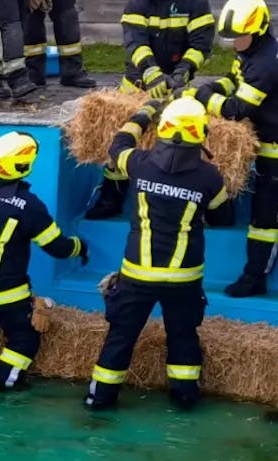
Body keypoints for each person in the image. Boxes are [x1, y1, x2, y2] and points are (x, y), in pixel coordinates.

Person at [85, 97, 234, 412]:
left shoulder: (140, 163)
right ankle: (184, 399)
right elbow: (224, 217)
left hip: (137, 273)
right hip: (184, 278)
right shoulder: (210, 177)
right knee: (182, 336)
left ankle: (99, 400)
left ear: (164, 129)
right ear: (201, 133)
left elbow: (118, 144)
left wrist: (143, 113)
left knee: (120, 336)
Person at [189, 0, 278, 298]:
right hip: (267, 133)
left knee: (265, 217)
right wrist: (215, 86)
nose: (233, 44)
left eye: (237, 38)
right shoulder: (255, 49)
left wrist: (204, 97)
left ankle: (255, 276)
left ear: (256, 31)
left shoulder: (267, 63)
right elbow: (235, 80)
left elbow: (236, 109)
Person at [85, 0, 215, 220]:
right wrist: (152, 75)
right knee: (120, 139)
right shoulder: (136, 3)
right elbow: (136, 44)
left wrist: (182, 74)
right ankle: (110, 198)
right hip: (136, 85)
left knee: (176, 143)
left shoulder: (195, 2)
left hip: (177, 87)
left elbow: (201, 44)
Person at [0, 132, 89, 392]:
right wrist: (80, 247)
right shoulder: (28, 205)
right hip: (5, 296)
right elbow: (57, 247)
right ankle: (3, 381)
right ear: (24, 166)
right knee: (25, 338)